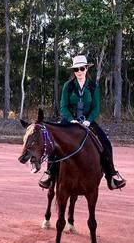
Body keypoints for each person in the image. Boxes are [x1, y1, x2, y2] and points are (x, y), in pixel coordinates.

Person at [38, 55, 126, 191]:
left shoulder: (93, 86)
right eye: (76, 69)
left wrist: (88, 121)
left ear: (86, 69)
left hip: (87, 122)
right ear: (74, 71)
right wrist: (70, 119)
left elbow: (96, 108)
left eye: (81, 68)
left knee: (106, 143)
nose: (79, 71)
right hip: (69, 121)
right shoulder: (68, 86)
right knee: (54, 143)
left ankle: (111, 176)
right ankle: (50, 175)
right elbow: (63, 106)